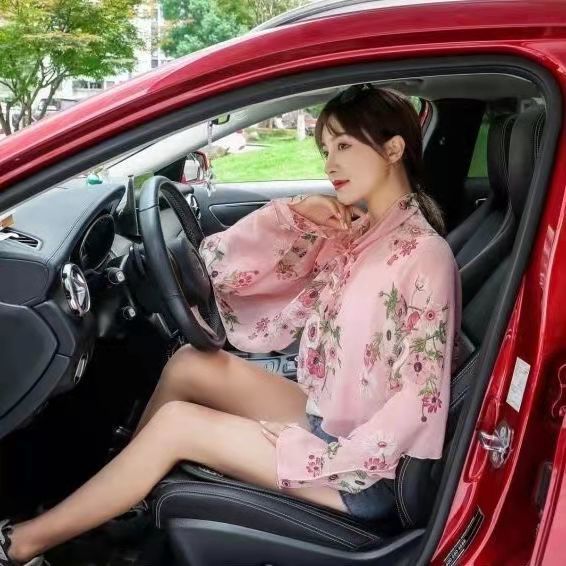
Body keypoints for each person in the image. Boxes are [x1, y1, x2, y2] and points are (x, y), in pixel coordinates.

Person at [0, 84, 461, 565]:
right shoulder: (360, 233)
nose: (330, 164)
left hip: (366, 469)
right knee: (189, 363)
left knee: (178, 426)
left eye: (344, 145)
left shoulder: (424, 256)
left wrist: (317, 456)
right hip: (334, 415)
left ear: (394, 148)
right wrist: (297, 214)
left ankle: (18, 545)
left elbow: (418, 401)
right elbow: (224, 268)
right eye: (325, 149)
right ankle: (125, 498)